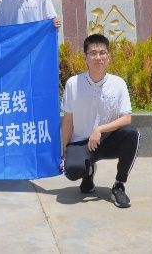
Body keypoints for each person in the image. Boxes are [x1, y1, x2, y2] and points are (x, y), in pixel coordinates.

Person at [60, 33, 140, 209]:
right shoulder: (73, 83)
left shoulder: (118, 83)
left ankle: (119, 185)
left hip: (108, 140)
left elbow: (126, 118)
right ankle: (88, 171)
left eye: (102, 53)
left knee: (132, 133)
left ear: (108, 57)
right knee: (72, 171)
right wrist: (64, 148)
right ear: (85, 58)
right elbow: (68, 120)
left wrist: (100, 129)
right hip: (81, 142)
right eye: (93, 53)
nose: (98, 57)